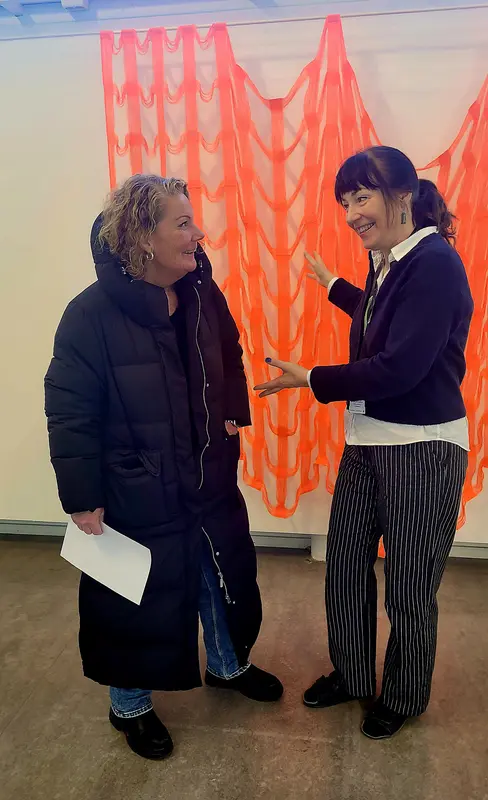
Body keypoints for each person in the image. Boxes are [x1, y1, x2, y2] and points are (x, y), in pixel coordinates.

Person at [45, 174, 283, 761]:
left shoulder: (202, 292)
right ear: (143, 238)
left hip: (206, 472)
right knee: (134, 597)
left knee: (220, 575)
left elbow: (229, 354)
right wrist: (81, 496)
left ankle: (227, 665)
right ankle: (129, 705)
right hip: (136, 485)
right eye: (183, 223)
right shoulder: (89, 315)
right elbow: (70, 410)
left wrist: (234, 411)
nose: (198, 233)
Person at [255, 146, 473, 739]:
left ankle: (402, 696)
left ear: (401, 196)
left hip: (422, 448)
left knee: (409, 585)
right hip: (368, 441)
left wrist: (311, 378)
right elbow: (379, 314)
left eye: (362, 197)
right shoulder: (391, 261)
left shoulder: (434, 263)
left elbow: (400, 366)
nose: (351, 213)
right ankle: (352, 676)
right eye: (345, 202)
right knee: (346, 565)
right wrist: (334, 285)